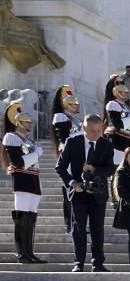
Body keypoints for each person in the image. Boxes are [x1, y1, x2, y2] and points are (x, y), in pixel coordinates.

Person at [55, 114, 116, 272]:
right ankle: (79, 263)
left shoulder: (107, 145)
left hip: (98, 193)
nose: (96, 134)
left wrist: (95, 170)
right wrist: (72, 183)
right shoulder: (72, 142)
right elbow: (60, 167)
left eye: (98, 131)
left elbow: (111, 169)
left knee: (98, 229)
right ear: (84, 129)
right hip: (78, 193)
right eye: (92, 131)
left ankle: (98, 263)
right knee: (78, 228)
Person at [3, 101, 46, 264]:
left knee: (31, 217)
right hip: (21, 180)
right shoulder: (12, 137)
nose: (30, 124)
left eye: (30, 121)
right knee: (21, 217)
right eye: (27, 122)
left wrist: (35, 153)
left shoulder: (28, 140)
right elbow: (18, 162)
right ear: (18, 123)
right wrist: (36, 154)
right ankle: (21, 252)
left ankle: (29, 251)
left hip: (33, 180)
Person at [50, 84, 82, 232]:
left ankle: (77, 221)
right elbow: (63, 138)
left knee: (78, 190)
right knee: (69, 189)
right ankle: (70, 223)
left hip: (79, 156)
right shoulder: (60, 116)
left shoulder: (75, 119)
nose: (75, 106)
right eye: (72, 104)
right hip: (68, 156)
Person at [103, 74, 130, 168]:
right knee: (117, 168)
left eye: (122, 83)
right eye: (117, 83)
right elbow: (117, 124)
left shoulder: (124, 106)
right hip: (117, 139)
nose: (121, 85)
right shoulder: (112, 104)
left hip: (126, 138)